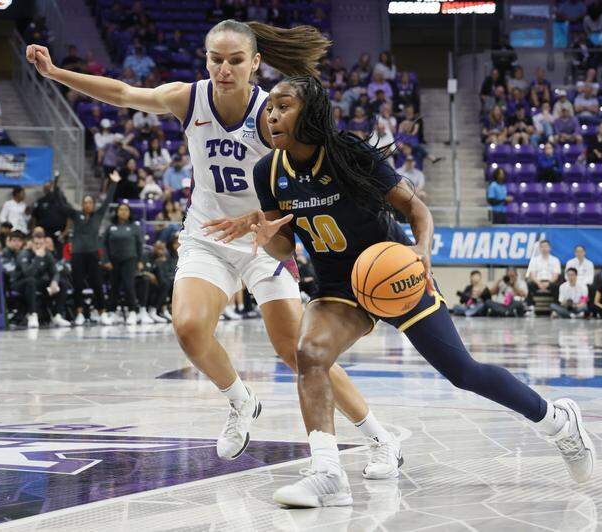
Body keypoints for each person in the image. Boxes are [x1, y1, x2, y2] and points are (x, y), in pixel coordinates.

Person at [27, 20, 398, 471]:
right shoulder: (189, 98)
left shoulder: (274, 115)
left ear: (255, 63)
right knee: (187, 327)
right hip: (207, 234)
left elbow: (304, 186)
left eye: (236, 60)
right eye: (216, 59)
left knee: (297, 352)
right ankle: (241, 401)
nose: (224, 69)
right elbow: (124, 94)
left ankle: (380, 438)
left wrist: (266, 223)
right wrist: (56, 74)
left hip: (265, 239)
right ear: (206, 60)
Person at [238, 75, 595, 506]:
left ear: (310, 113)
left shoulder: (350, 154)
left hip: (393, 273)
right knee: (309, 355)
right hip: (337, 287)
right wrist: (266, 234)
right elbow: (284, 245)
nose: (272, 114)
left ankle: (557, 421)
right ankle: (327, 474)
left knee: (463, 373)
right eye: (270, 107)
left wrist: (422, 251)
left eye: (284, 105)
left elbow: (415, 208)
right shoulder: (267, 172)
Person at [56, 171, 119, 326]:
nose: (88, 205)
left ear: (93, 204)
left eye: (90, 202)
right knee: (77, 284)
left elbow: (108, 200)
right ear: (82, 204)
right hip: (77, 254)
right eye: (86, 202)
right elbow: (61, 204)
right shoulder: (76, 215)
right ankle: (79, 314)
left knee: (97, 284)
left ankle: (101, 312)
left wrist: (114, 183)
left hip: (92, 254)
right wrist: (56, 184)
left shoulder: (98, 214)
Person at [18, 227, 71, 328]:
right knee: (31, 281)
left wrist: (54, 282)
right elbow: (28, 273)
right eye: (36, 244)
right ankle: (33, 315)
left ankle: (57, 316)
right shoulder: (24, 253)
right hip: (22, 284)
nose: (38, 246)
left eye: (41, 244)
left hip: (37, 283)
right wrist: (37, 258)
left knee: (62, 283)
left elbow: (55, 272)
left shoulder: (47, 254)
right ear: (31, 244)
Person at [102, 203, 145, 325]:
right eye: (121, 209)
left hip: (129, 260)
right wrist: (106, 260)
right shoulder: (111, 227)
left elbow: (139, 245)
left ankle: (132, 311)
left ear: (129, 212)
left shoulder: (134, 227)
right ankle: (113, 312)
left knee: (128, 285)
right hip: (114, 261)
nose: (123, 212)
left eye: (126, 210)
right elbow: (104, 245)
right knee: (114, 287)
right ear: (117, 212)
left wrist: (140, 260)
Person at [31, 177, 69, 258]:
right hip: (44, 233)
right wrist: (34, 232)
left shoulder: (62, 201)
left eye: (49, 187)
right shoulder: (40, 201)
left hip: (59, 233)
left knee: (59, 254)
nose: (48, 190)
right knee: (43, 254)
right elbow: (34, 217)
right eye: (45, 188)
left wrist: (65, 232)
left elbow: (70, 217)